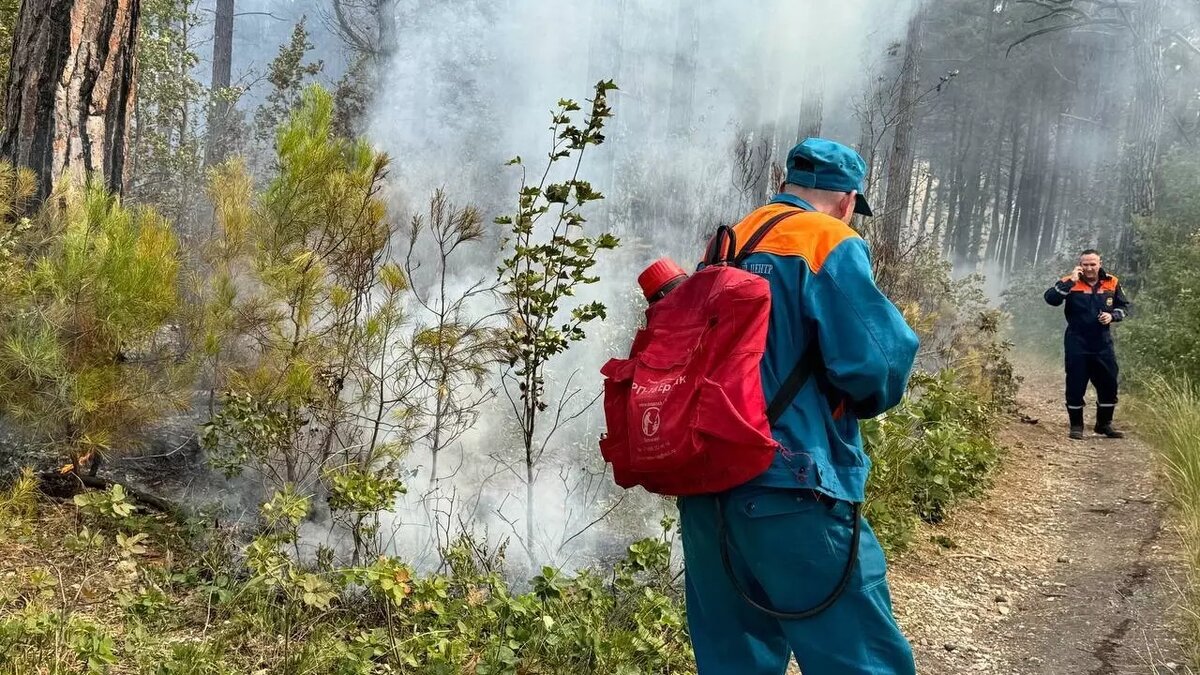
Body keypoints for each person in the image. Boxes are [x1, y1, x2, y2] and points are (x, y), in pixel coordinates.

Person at [677, 138, 919, 675]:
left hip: (707, 492)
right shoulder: (826, 239)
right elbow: (876, 363)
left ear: (786, 184)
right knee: (860, 660)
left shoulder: (723, 245)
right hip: (793, 487)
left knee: (732, 662)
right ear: (848, 199)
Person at [1043, 249, 1130, 440]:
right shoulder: (1070, 281)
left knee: (1109, 384)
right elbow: (1050, 299)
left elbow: (1123, 306)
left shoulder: (1112, 281)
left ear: (1100, 263)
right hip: (1077, 341)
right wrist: (1070, 282)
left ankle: (1104, 424)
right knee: (1075, 384)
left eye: (1093, 264)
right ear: (1080, 265)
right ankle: (1076, 426)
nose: (1089, 268)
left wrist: (1112, 315)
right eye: (1085, 264)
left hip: (1102, 343)